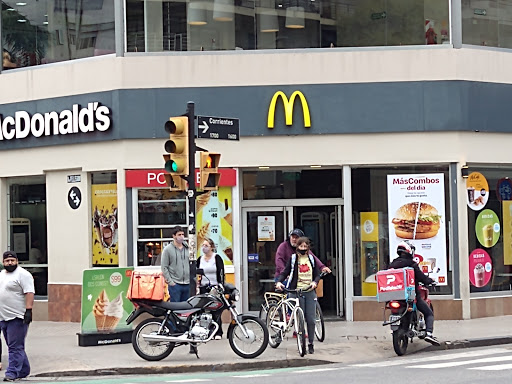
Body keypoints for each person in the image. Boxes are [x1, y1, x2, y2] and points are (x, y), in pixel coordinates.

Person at [388, 240, 440, 346]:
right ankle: (429, 334)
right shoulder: (411, 264)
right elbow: (421, 277)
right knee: (429, 313)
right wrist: (430, 281)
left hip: (395, 297)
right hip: (411, 297)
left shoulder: (392, 264)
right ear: (409, 251)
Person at [276, 237, 320, 355]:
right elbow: (285, 272)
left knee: (310, 319)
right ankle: (301, 342)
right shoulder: (293, 259)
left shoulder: (311, 259)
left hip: (309, 291)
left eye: (305, 247)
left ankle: (310, 343)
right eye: (301, 246)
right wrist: (279, 281)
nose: (303, 249)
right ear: (297, 247)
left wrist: (315, 282)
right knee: (299, 319)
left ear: (308, 248)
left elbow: (317, 274)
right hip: (296, 291)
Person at [0, 251, 35, 382]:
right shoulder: (2, 274)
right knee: (14, 345)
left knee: (15, 347)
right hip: (3, 317)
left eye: (12, 261)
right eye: (7, 261)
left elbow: (29, 293)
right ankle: (24, 370)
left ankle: (12, 373)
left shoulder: (23, 275)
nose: (10, 263)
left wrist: (28, 310)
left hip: (17, 316)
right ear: (3, 262)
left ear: (17, 261)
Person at [196, 238, 225, 339]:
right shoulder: (200, 259)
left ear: (211, 247)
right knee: (204, 311)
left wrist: (220, 286)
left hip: (215, 287)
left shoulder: (216, 258)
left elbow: (221, 273)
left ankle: (218, 332)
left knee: (216, 310)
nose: (204, 247)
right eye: (203, 245)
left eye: (206, 245)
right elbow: (197, 274)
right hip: (204, 287)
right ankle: (206, 331)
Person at [161, 226, 190, 302]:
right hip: (175, 284)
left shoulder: (187, 248)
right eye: (179, 235)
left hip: (187, 283)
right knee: (175, 308)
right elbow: (164, 267)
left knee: (186, 308)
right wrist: (171, 282)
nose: (181, 237)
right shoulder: (167, 250)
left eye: (183, 234)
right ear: (174, 236)